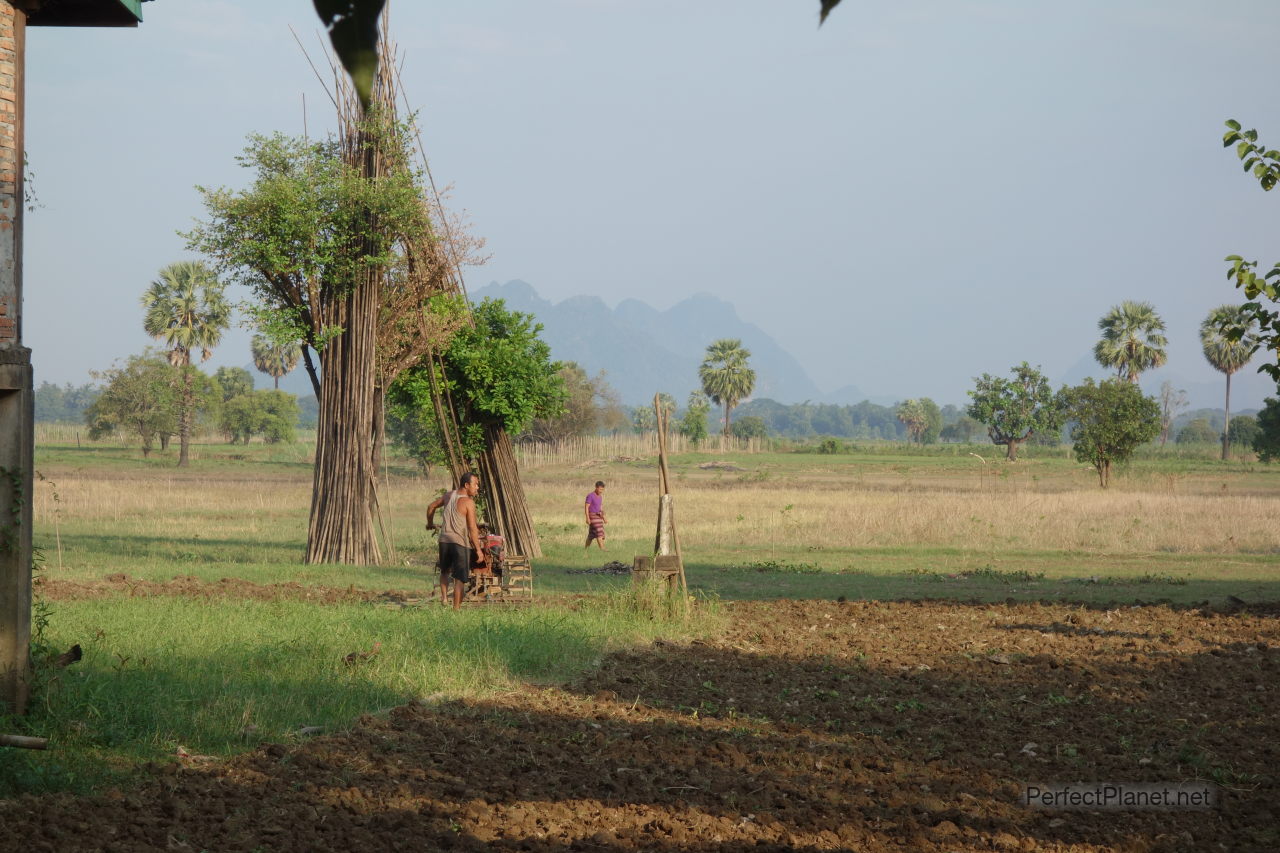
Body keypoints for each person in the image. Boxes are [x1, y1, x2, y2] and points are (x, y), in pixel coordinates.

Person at [425, 472, 486, 610]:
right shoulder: (469, 503)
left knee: (445, 571)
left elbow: (431, 507)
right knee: (459, 578)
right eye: (475, 484)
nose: (477, 487)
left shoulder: (448, 496)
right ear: (466, 485)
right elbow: (472, 528)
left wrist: (430, 524)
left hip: (444, 540)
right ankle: (456, 609)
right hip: (460, 542)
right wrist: (478, 550)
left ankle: (445, 598)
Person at [584, 480, 607, 550]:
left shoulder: (600, 497)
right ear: (596, 487)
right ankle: (603, 549)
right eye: (600, 489)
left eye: (602, 489)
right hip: (592, 516)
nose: (601, 491)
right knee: (599, 531)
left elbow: (600, 508)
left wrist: (604, 518)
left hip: (598, 516)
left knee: (591, 535)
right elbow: (586, 507)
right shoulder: (590, 496)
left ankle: (586, 550)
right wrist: (587, 518)